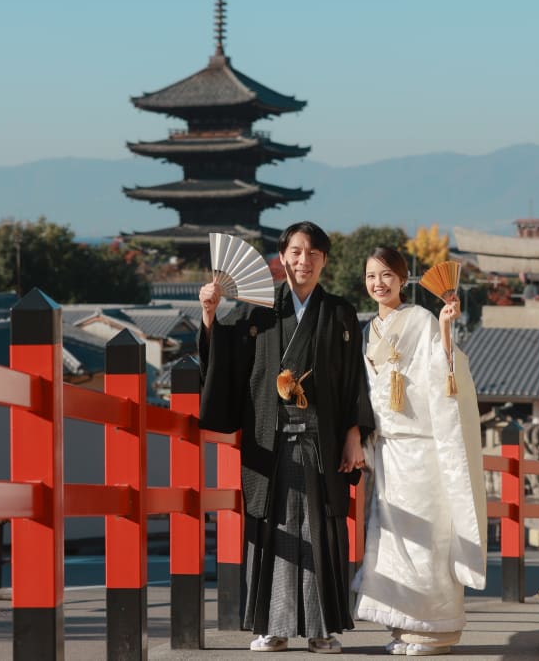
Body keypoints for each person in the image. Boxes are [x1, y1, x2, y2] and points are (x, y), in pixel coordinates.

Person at [197, 221, 374, 654]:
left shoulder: (340, 313)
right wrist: (209, 315)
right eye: (295, 251)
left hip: (322, 441)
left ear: (325, 260)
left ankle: (320, 628)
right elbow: (228, 365)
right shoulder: (258, 312)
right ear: (281, 256)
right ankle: (271, 626)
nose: (303, 261)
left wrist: (355, 434)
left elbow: (355, 381)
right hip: (268, 439)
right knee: (270, 531)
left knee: (321, 531)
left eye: (313, 253)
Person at [353, 246, 488, 657]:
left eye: (388, 275)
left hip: (422, 449)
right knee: (392, 540)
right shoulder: (367, 330)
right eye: (372, 275)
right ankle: (404, 625)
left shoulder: (421, 319)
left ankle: (435, 629)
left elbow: (442, 371)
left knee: (426, 537)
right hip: (390, 448)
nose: (380, 283)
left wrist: (446, 328)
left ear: (404, 278)